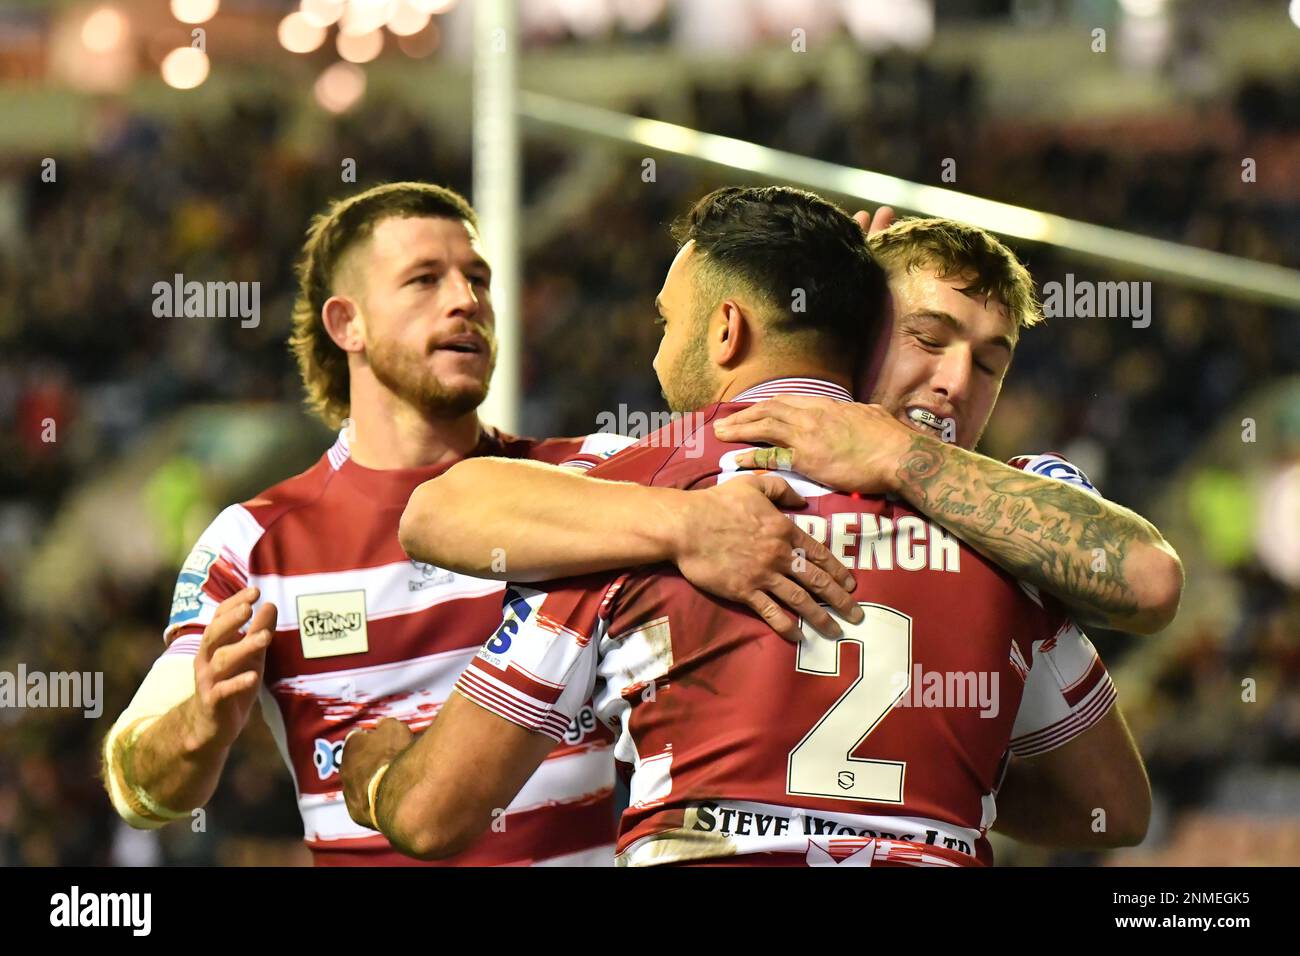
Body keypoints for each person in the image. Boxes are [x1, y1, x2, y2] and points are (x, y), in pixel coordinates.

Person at [341, 185, 1157, 865]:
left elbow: (433, 815)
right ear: (861, 328)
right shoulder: (1008, 523)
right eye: (927, 338)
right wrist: (921, 787)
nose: (952, 383)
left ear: (726, 329)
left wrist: (376, 774)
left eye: (989, 363)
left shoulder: (613, 507)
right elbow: (1112, 808)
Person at [100, 182, 857, 866]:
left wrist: (848, 309)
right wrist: (197, 726)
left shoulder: (599, 475)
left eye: (478, 279)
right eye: (425, 281)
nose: (465, 300)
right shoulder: (256, 543)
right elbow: (137, 783)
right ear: (347, 322)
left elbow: (788, 434)